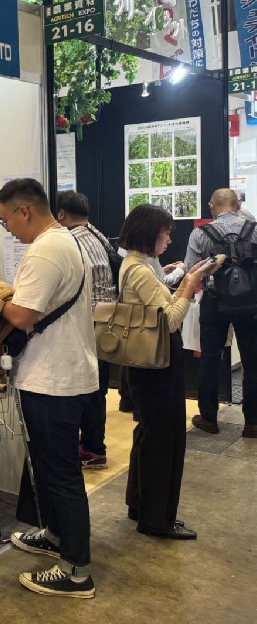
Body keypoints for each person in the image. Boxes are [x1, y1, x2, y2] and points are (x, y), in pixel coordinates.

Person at [0, 178, 97, 599]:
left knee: (60, 474)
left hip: (54, 380)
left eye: (6, 221)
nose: (7, 230)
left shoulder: (45, 249)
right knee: (49, 467)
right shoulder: (62, 242)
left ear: (25, 211)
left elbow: (22, 315)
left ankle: (76, 571)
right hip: (57, 375)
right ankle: (57, 536)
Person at [117, 205, 213, 539]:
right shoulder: (140, 270)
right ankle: (155, 519)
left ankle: (142, 506)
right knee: (164, 439)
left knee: (150, 434)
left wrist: (180, 280)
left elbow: (159, 307)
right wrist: (189, 284)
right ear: (149, 233)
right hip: (157, 366)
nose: (170, 240)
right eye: (166, 233)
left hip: (150, 365)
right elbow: (169, 321)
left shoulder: (141, 264)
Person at [184, 188, 257, 438]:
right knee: (253, 361)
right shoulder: (255, 229)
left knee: (210, 359)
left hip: (214, 302)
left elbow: (191, 271)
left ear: (211, 207)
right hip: (251, 304)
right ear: (238, 205)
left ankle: (208, 418)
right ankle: (253, 422)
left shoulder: (200, 234)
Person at [56, 191, 117, 471]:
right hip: (107, 321)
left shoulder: (70, 241)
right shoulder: (98, 235)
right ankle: (94, 447)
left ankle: (91, 449)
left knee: (86, 391)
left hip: (87, 323)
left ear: (61, 214)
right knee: (97, 389)